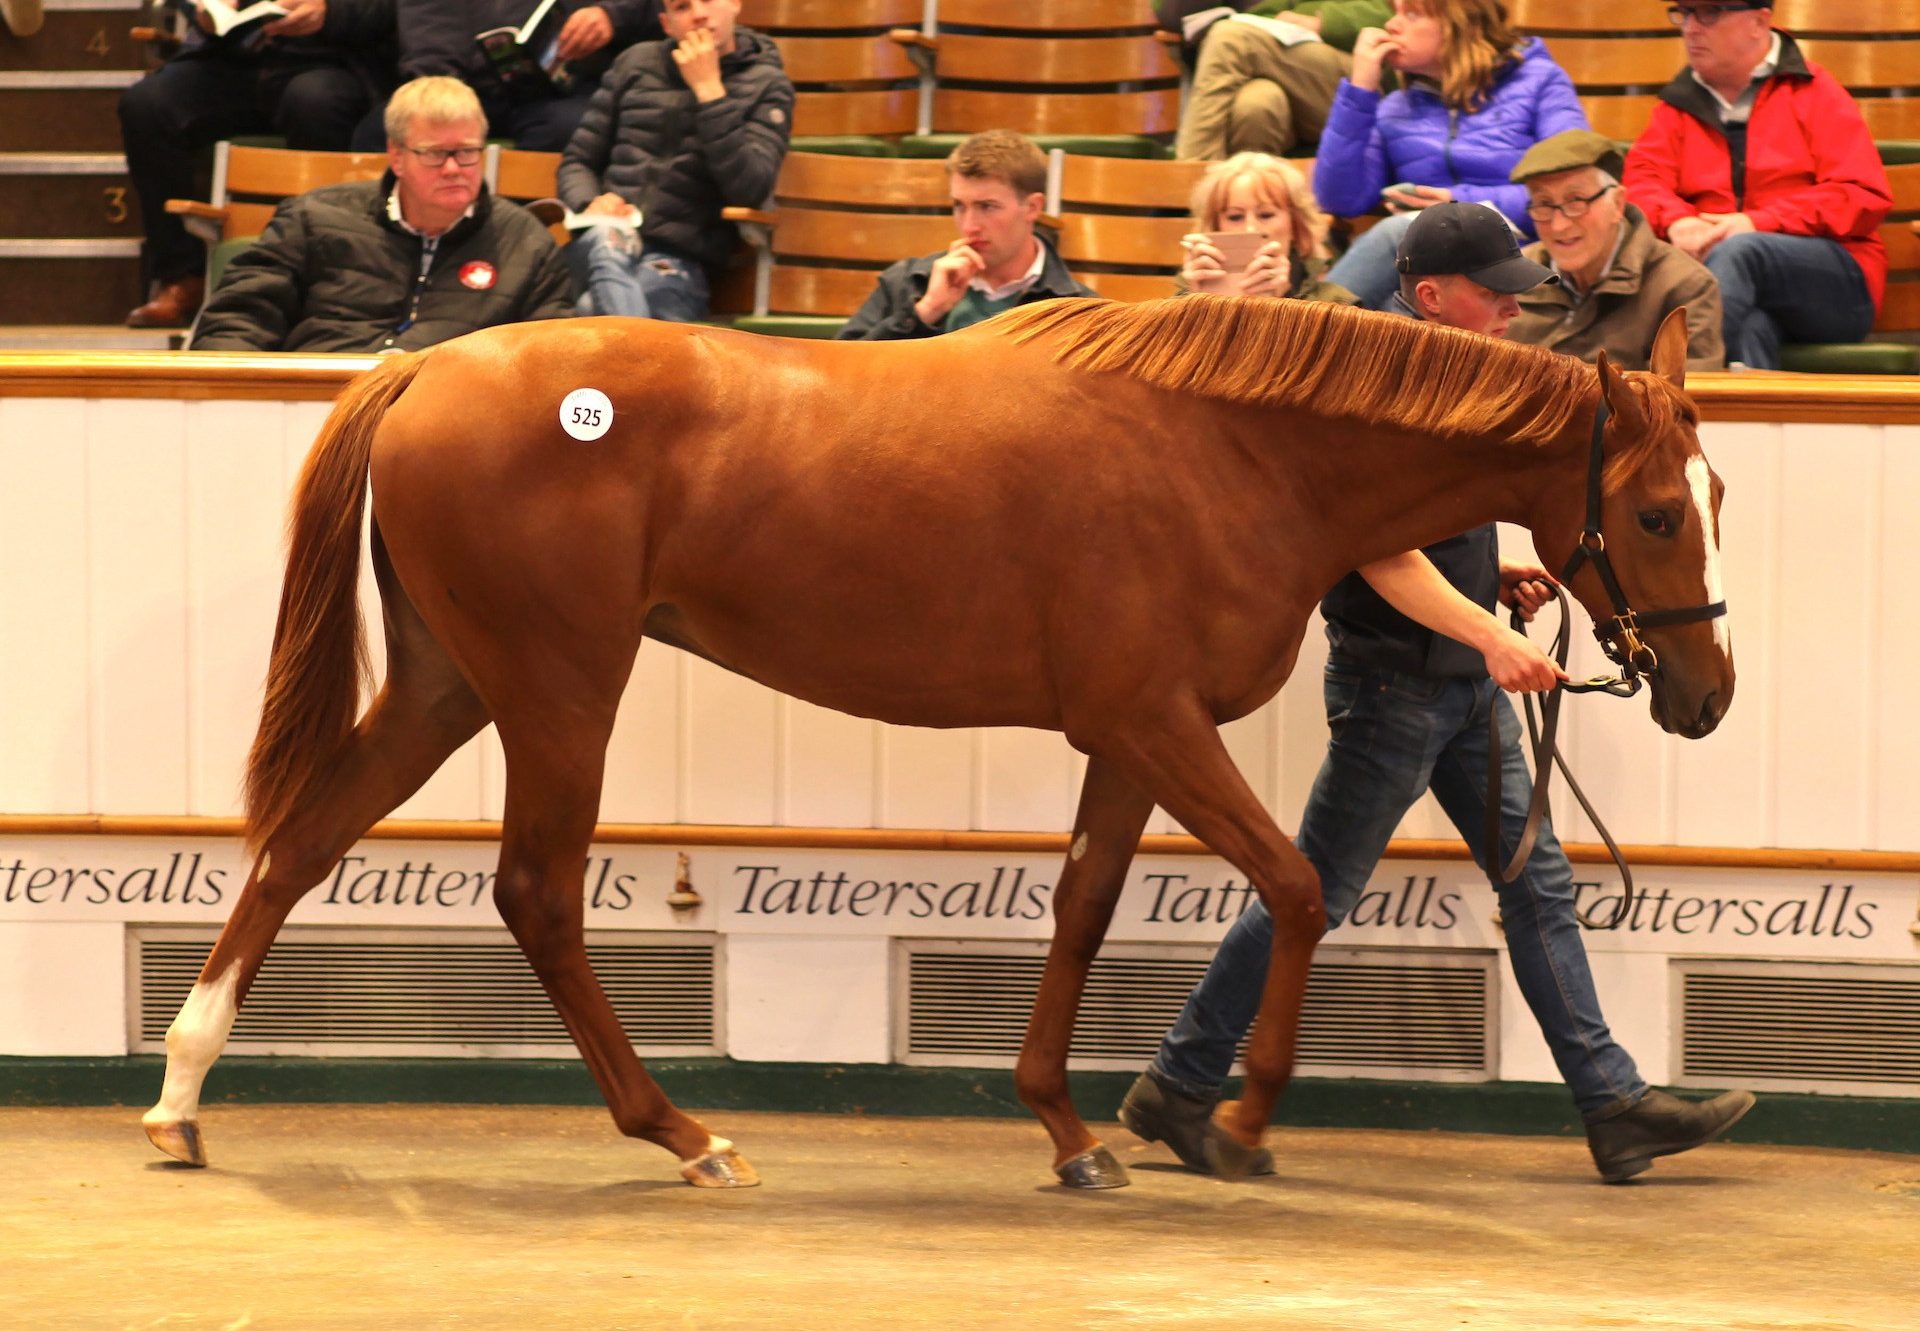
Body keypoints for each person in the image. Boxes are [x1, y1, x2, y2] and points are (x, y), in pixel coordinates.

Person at [1120, 201, 1756, 1186]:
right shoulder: (1376, 386)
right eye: (1492, 296)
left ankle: (1613, 1103)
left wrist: (1487, 576)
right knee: (1315, 889)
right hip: (1397, 681)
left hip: (1448, 676)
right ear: (1431, 297)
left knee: (1533, 880)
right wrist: (1492, 633)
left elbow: (1426, 523)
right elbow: (1375, 547)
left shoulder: (1445, 378)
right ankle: (1180, 1078)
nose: (1511, 311)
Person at [190, 77, 573, 352]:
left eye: (467, 152)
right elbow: (238, 319)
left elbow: (553, 356)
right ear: (397, 155)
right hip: (321, 410)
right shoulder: (314, 218)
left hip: (454, 428)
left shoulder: (525, 242)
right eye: (435, 153)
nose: (454, 168)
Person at [1621, 0, 1891, 370]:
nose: (1691, 27)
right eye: (1684, 13)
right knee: (1748, 330)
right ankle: (1725, 422)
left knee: (1740, 252)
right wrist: (1678, 221)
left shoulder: (1814, 91)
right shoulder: (1677, 105)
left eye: (1709, 13)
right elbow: (1641, 182)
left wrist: (1758, 223)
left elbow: (1862, 194)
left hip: (1838, 285)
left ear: (1759, 22)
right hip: (1728, 283)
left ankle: (1670, 398)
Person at [118, 0, 399, 329]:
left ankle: (326, 276)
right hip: (233, 56)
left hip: (334, 59)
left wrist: (332, 12)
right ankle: (180, 276)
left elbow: (401, 9)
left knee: (315, 103)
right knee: (146, 105)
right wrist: (203, 9)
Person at [1313, 0, 1587, 310]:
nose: (1392, 25)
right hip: (1431, 278)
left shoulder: (1540, 82)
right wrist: (1360, 89)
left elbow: (1573, 184)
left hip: (1516, 262)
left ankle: (1298, 332)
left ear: (1459, 22)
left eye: (1412, 14)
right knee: (1388, 316)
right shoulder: (1395, 108)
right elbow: (1338, 198)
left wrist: (1458, 206)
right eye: (1396, 12)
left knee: (1402, 231)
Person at [556, 0, 791, 323]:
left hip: (677, 259)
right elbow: (578, 161)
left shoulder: (766, 84)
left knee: (589, 310)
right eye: (682, 7)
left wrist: (710, 91)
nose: (698, 14)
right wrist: (590, 202)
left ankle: (627, 362)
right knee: (605, 243)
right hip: (603, 235)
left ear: (735, 3)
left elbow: (749, 188)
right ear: (666, 24)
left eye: (708, 0)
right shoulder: (635, 63)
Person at [837, 131, 1096, 341]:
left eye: (987, 207)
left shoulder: (1077, 309)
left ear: (1032, 208)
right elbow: (840, 378)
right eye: (959, 206)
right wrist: (925, 312)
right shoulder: (908, 282)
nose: (970, 225)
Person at [1506, 129, 1724, 371]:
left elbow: (1685, 400)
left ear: (1617, 204)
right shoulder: (1511, 278)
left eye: (1576, 201)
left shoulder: (1684, 287)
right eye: (1544, 204)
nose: (1559, 225)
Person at [351, 1, 666, 154]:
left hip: (555, 90)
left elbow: (660, 8)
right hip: (458, 81)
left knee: (571, 127)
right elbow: (429, 23)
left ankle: (525, 243)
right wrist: (439, 83)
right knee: (382, 131)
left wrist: (611, 13)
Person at [1175, 3, 1393, 161]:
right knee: (1256, 104)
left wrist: (1321, 21)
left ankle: (1189, 186)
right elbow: (1169, 12)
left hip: (1371, 73)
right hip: (1292, 67)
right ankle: (1249, 209)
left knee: (1229, 38)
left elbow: (1399, 12)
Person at [1179, 152, 1357, 304]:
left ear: (1295, 225)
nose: (1250, 229)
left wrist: (1283, 303)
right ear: (1215, 226)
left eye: (1266, 215)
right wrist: (1196, 305)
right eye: (1235, 217)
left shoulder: (1336, 304)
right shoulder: (1185, 297)